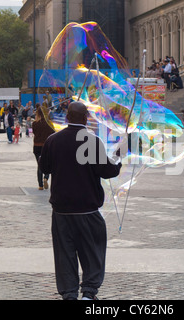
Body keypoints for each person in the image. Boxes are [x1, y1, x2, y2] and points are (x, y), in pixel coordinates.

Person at [39, 101, 123, 300]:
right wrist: (117, 159)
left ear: (67, 117)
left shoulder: (53, 140)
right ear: (86, 118)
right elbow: (107, 171)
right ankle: (88, 293)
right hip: (87, 209)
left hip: (61, 211)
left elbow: (45, 168)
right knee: (93, 252)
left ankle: (69, 294)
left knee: (64, 254)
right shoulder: (92, 141)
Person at [32, 107, 55, 190]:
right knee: (47, 163)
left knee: (39, 165)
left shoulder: (35, 123)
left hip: (37, 146)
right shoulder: (49, 123)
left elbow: (34, 132)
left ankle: (40, 185)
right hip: (46, 146)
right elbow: (53, 133)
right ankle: (46, 177)